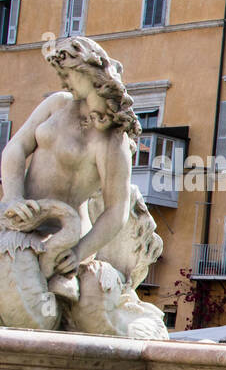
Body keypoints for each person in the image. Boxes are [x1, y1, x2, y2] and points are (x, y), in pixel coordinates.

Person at [0, 36, 139, 293]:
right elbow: (16, 148)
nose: (63, 82)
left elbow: (116, 210)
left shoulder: (112, 140)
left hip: (62, 236)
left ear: (87, 73)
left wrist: (79, 251)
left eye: (68, 75)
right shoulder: (57, 104)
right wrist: (13, 197)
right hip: (19, 217)